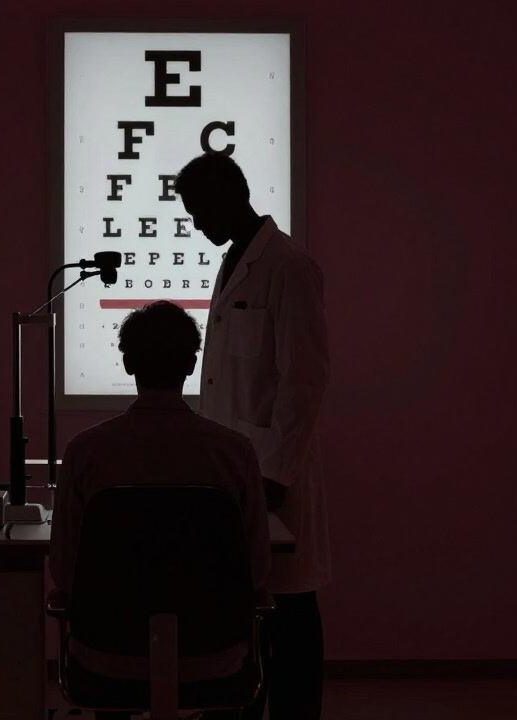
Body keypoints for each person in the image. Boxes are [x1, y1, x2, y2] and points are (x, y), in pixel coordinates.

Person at [48, 300, 272, 720]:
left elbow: (64, 570)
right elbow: (257, 573)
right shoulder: (234, 453)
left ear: (128, 364)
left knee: (113, 673)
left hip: (107, 654)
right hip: (214, 655)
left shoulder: (85, 453)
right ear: (191, 364)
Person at [175, 151, 332, 720]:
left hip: (270, 471)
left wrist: (277, 472)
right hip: (230, 469)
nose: (195, 224)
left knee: (291, 603)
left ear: (231, 197)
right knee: (245, 607)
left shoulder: (289, 266)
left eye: (199, 211)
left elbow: (305, 380)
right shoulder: (235, 259)